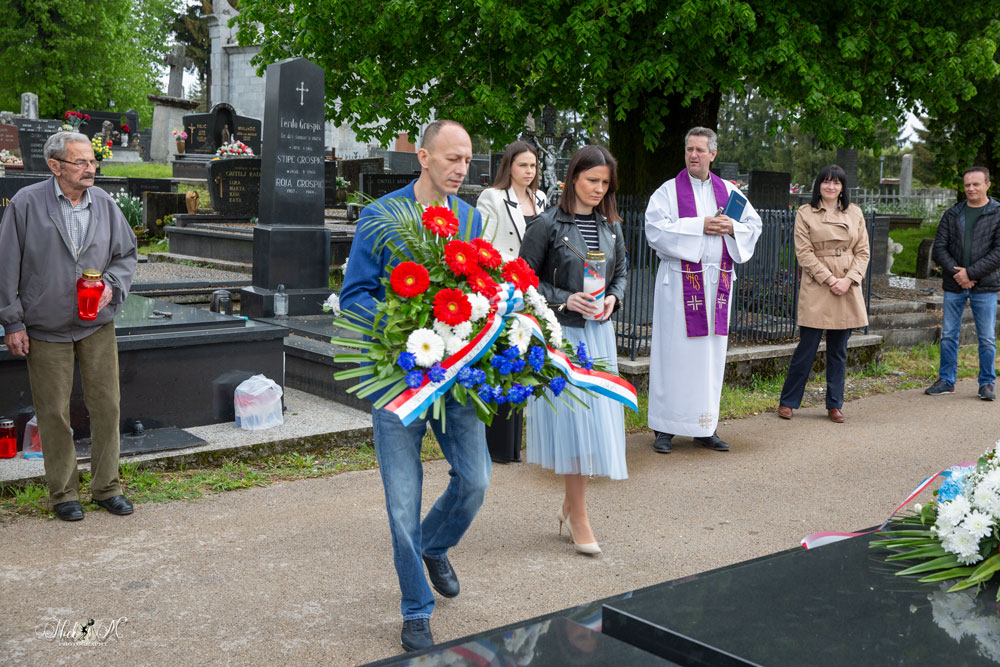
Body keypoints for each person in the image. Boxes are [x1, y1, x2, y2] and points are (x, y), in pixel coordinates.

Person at [338, 120, 490, 653]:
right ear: (423, 157)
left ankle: (436, 545)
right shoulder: (382, 216)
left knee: (476, 481)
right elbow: (354, 295)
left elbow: (479, 288)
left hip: (455, 377)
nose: (461, 168)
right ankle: (416, 608)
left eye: (467, 160)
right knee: (402, 503)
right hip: (398, 378)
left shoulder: (470, 218)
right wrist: (404, 325)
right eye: (452, 158)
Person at [0, 132, 137, 521]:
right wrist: (12, 321)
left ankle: (107, 487)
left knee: (107, 406)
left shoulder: (104, 203)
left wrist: (111, 286)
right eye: (81, 162)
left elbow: (126, 254)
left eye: (92, 161)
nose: (90, 169)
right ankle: (64, 493)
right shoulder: (26, 203)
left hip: (96, 325)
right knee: (53, 413)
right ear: (55, 166)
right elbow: (5, 265)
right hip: (46, 327)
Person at [519, 145, 628, 555]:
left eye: (605, 183)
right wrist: (565, 298)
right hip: (563, 336)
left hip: (600, 334)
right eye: (592, 180)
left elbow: (621, 272)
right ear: (573, 178)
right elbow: (523, 280)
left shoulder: (612, 226)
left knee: (593, 425)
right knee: (574, 425)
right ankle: (579, 516)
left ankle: (570, 506)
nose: (599, 189)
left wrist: (614, 297)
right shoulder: (545, 224)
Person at [644, 127, 762, 453]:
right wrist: (701, 226)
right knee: (673, 356)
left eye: (699, 150)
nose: (693, 155)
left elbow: (754, 226)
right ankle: (665, 428)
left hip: (716, 287)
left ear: (713, 154)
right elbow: (655, 230)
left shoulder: (730, 192)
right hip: (677, 286)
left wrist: (732, 227)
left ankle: (704, 426)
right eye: (689, 149)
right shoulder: (667, 192)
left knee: (709, 358)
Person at [777, 165, 870, 422]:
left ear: (842, 187)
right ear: (818, 185)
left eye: (836, 183)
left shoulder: (855, 213)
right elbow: (804, 252)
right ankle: (788, 402)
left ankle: (835, 404)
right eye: (826, 182)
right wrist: (829, 279)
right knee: (806, 348)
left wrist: (848, 280)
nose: (831, 186)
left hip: (847, 285)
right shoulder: (805, 213)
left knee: (838, 350)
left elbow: (863, 252)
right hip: (818, 284)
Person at [476, 141, 546, 463]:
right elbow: (483, 245)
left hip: (534, 288)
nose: (529, 171)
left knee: (525, 361)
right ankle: (499, 447)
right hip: (505, 289)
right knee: (505, 361)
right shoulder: (492, 197)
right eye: (523, 165)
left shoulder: (540, 198)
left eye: (533, 166)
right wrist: (507, 276)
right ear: (509, 167)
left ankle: (517, 444)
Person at [926, 167, 1000, 400]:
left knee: (986, 338)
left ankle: (986, 383)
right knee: (948, 334)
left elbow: (998, 252)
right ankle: (946, 381)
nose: (971, 188)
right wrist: (959, 274)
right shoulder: (952, 213)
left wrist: (971, 273)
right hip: (954, 284)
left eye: (976, 184)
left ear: (987, 185)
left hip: (985, 285)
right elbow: (939, 248)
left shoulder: (998, 213)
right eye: (967, 185)